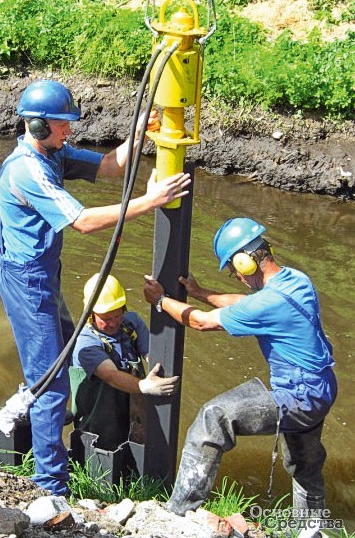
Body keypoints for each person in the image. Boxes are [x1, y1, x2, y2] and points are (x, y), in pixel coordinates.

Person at [0, 79, 190, 496]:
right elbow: (82, 221)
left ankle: (35, 404)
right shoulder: (27, 170)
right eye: (63, 125)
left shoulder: (52, 154)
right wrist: (151, 200)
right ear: (39, 126)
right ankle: (51, 488)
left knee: (58, 357)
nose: (70, 131)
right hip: (28, 284)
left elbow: (107, 167)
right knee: (52, 384)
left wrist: (137, 135)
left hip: (43, 277)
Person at [143, 217, 337, 517]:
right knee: (304, 464)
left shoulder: (267, 303)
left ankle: (177, 513)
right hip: (322, 390)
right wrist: (199, 292)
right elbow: (243, 302)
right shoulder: (296, 280)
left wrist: (161, 301)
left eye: (234, 269)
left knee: (214, 418)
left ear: (245, 262)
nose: (235, 276)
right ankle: (311, 528)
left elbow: (200, 322)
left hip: (297, 397)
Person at [70, 273, 179, 451]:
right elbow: (111, 375)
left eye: (117, 315)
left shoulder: (131, 324)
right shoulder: (86, 342)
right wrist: (145, 386)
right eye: (106, 319)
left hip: (131, 414)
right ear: (91, 314)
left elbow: (152, 355)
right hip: (97, 426)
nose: (113, 323)